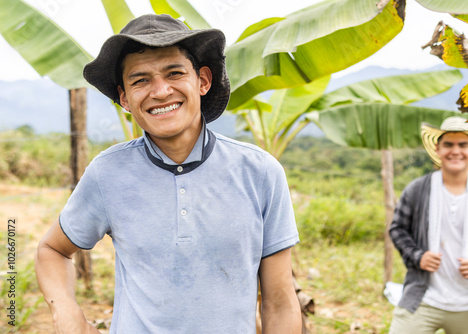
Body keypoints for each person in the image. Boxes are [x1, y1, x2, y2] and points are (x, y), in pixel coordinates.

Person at [35, 14, 301, 334]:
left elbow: (279, 301)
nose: (160, 92)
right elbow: (52, 250)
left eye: (174, 73)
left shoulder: (259, 172)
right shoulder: (107, 173)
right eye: (140, 80)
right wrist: (66, 311)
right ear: (124, 98)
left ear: (202, 80)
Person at [389, 116, 468, 334]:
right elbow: (397, 228)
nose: (455, 151)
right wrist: (417, 256)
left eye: (462, 144)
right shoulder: (418, 189)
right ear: (438, 149)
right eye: (448, 144)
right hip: (423, 298)